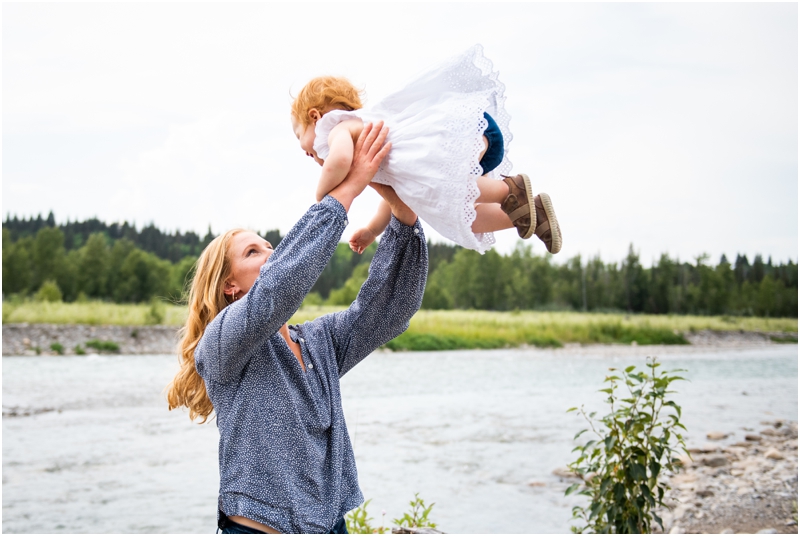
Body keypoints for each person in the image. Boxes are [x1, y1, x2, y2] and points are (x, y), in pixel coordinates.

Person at [166, 123, 429, 534]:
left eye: (269, 245)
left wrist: (403, 216)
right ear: (229, 285)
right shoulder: (219, 344)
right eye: (253, 252)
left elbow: (389, 308)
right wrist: (347, 188)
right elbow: (279, 287)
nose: (271, 252)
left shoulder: (318, 343)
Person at [290, 44, 562, 256]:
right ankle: (528, 213)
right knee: (459, 216)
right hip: (471, 136)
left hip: (460, 130)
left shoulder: (338, 128)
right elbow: (397, 196)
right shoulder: (369, 154)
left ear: (315, 117)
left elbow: (337, 160)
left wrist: (323, 196)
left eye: (299, 135)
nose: (304, 151)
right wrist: (373, 230)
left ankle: (509, 191)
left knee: (446, 187)